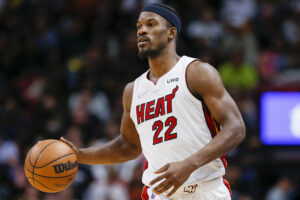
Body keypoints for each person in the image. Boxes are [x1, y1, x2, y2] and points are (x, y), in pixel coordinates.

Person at [61, 3, 246, 200]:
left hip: (204, 191)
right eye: (139, 26)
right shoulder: (133, 91)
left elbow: (236, 128)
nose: (142, 31)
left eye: (151, 24)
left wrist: (189, 164)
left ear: (171, 33)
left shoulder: (196, 73)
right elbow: (128, 147)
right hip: (161, 195)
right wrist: (80, 155)